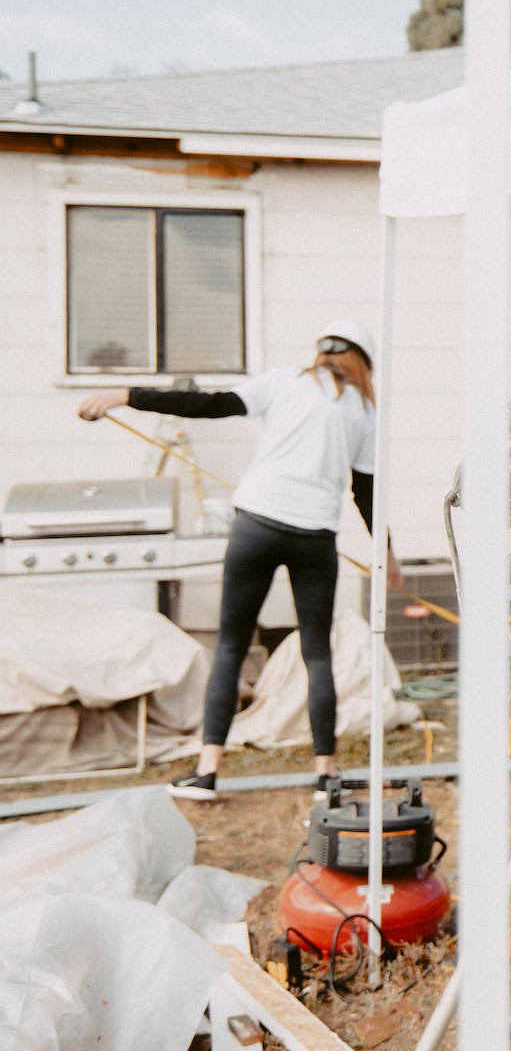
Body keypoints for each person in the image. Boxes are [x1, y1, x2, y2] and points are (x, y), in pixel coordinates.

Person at [77, 319, 397, 803]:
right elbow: (366, 493)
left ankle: (206, 772)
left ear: (321, 351)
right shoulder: (365, 409)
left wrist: (127, 394)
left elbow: (210, 405)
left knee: (229, 646)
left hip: (257, 526)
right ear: (363, 362)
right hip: (314, 536)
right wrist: (387, 555)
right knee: (316, 652)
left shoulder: (284, 381)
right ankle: (325, 775)